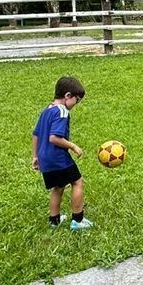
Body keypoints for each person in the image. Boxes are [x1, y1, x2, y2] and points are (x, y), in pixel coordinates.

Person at [31, 76, 92, 230]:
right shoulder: (62, 111)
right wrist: (73, 146)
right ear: (67, 95)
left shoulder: (47, 110)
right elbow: (54, 138)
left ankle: (54, 220)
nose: (76, 104)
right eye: (77, 100)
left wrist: (35, 156)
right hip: (58, 158)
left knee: (58, 187)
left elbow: (36, 134)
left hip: (45, 158)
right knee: (77, 182)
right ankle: (78, 220)